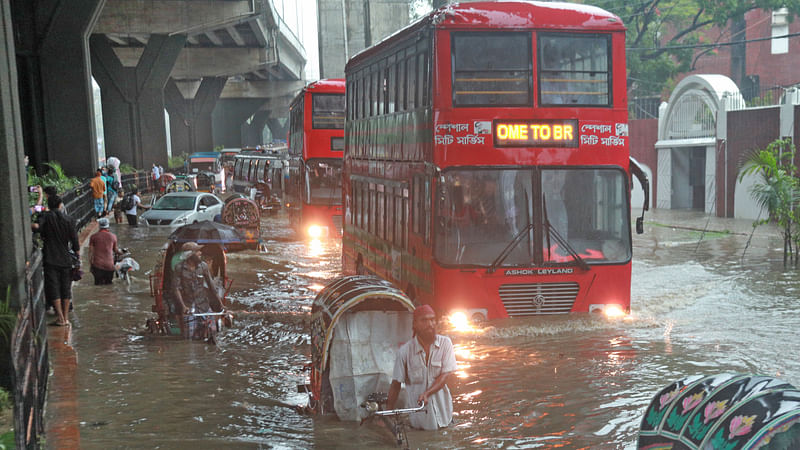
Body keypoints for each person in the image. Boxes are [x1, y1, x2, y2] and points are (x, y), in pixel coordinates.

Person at [385, 304, 457, 430]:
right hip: (419, 423)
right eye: (424, 320)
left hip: (445, 419)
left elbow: (445, 375)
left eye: (432, 319)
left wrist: (427, 393)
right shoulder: (404, 352)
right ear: (414, 324)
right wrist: (388, 414)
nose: (430, 324)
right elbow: (396, 384)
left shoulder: (446, 344)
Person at [31, 195, 79, 326]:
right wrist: (77, 257)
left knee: (54, 287)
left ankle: (60, 317)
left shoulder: (45, 217)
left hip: (50, 258)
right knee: (66, 287)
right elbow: (75, 242)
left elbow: (37, 227)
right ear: (60, 205)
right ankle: (66, 317)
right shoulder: (69, 220)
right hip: (65, 258)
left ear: (49, 205)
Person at [170, 242, 223, 340]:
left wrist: (220, 304)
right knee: (190, 339)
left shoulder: (203, 266)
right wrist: (183, 306)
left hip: (203, 305)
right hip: (188, 307)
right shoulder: (179, 268)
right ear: (190, 255)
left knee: (213, 334)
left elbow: (212, 287)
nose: (200, 253)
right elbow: (176, 289)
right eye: (197, 251)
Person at [88, 218, 122, 285]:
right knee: (109, 285)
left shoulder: (93, 237)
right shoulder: (113, 236)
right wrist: (121, 252)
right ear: (108, 226)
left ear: (99, 226)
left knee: (98, 286)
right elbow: (115, 250)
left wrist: (91, 264)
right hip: (110, 266)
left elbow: (90, 252)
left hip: (98, 265)